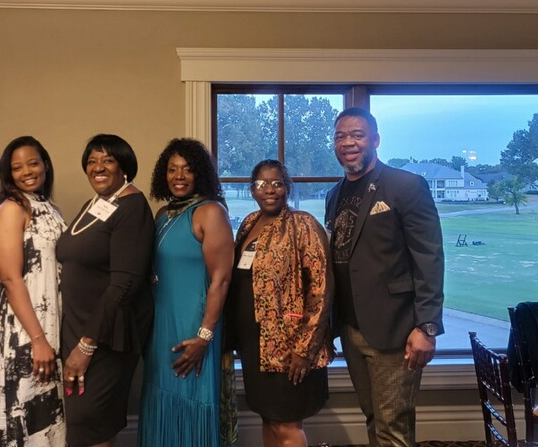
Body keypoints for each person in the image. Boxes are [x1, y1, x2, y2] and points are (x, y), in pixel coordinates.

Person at [324, 107, 445, 447]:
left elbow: (429, 258)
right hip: (350, 328)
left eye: (357, 135)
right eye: (340, 137)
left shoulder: (405, 186)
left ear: (375, 140)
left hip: (396, 330)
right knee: (374, 419)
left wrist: (427, 327)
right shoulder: (335, 195)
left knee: (393, 428)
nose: (348, 142)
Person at [55, 134, 155, 447]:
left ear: (124, 166)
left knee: (92, 421)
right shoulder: (97, 203)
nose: (98, 168)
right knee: (81, 421)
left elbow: (124, 284)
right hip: (78, 325)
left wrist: (86, 346)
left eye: (107, 160)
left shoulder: (132, 208)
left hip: (106, 335)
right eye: (91, 161)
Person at [226, 159, 332, 447]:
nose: (269, 190)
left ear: (287, 187)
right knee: (269, 418)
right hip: (254, 345)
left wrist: (305, 348)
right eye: (261, 184)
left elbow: (321, 290)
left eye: (277, 183)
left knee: (287, 425)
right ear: (252, 189)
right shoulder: (249, 223)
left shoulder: (303, 225)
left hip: (289, 347)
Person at [138, 138, 235, 447]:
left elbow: (220, 280)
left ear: (200, 174)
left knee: (192, 396)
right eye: (172, 169)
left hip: (195, 326)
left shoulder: (210, 212)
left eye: (188, 169)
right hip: (161, 325)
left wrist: (204, 336)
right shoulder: (162, 214)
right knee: (161, 393)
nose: (179, 176)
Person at [0, 136, 66, 446]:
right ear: (9, 174)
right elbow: (10, 278)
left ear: (45, 164)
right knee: (24, 417)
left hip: (49, 325)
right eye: (17, 167)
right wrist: (37, 340)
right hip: (22, 333)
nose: (27, 172)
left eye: (33, 163)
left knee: (47, 421)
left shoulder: (49, 207)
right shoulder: (12, 208)